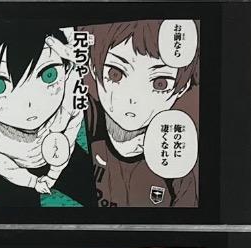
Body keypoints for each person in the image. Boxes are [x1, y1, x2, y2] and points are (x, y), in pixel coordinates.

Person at [0, 25, 93, 206]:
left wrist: (53, 174)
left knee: (105, 196)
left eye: (49, 75)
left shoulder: (72, 88)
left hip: (60, 150)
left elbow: (70, 130)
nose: (29, 104)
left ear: (66, 69)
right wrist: (32, 182)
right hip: (9, 170)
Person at [85, 19, 199, 208]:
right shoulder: (80, 123)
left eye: (160, 84)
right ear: (93, 66)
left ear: (181, 89)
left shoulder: (177, 164)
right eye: (115, 74)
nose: (133, 99)